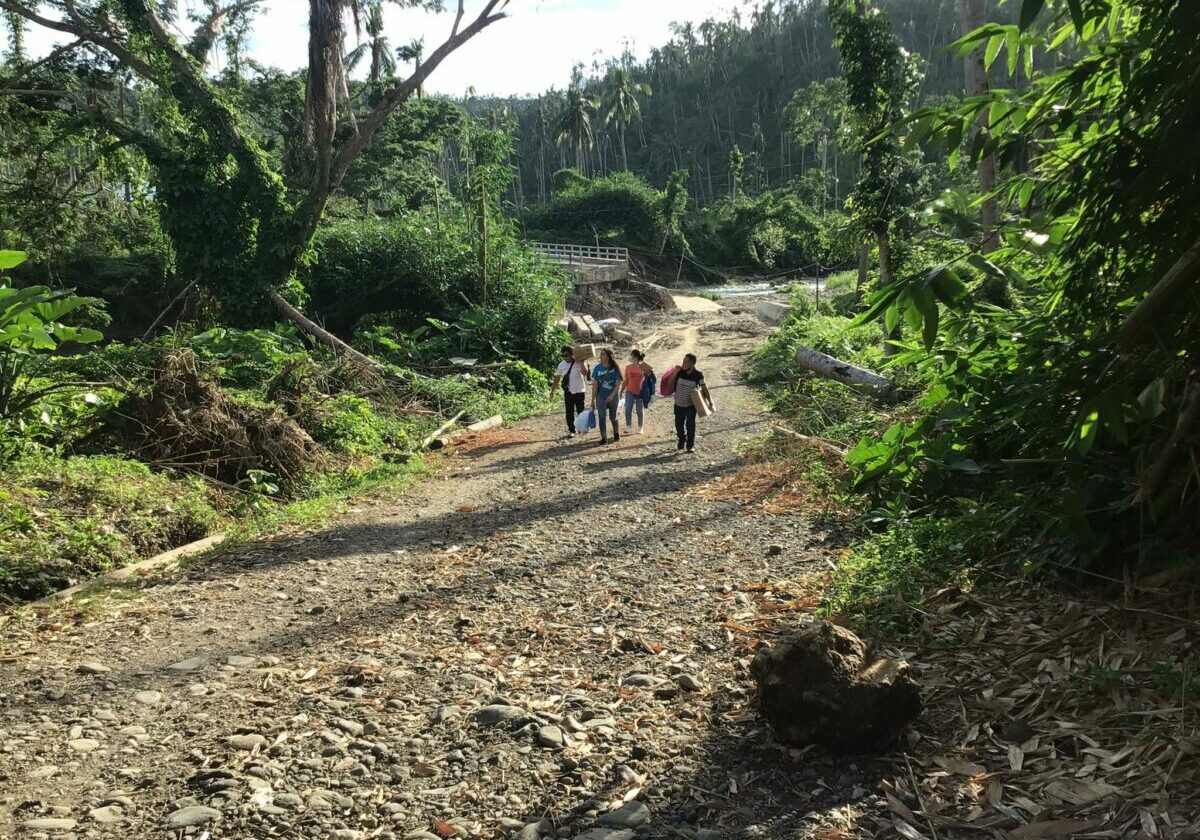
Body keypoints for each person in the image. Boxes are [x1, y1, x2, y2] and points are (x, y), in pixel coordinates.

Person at [673, 353, 712, 454]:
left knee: (690, 425)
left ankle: (690, 445)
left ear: (692, 363)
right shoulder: (679, 372)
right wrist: (675, 371)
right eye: (683, 361)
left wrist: (710, 401)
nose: (683, 363)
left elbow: (704, 388)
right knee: (678, 425)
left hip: (691, 405)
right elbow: (670, 383)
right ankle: (682, 439)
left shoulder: (698, 375)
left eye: (686, 362)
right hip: (678, 404)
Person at [549, 346, 589, 438]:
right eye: (563, 356)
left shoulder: (579, 362)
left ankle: (581, 428)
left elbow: (585, 373)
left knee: (580, 411)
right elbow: (557, 378)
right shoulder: (561, 365)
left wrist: (582, 362)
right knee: (569, 411)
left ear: (571, 354)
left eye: (566, 355)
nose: (565, 357)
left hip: (580, 390)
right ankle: (572, 430)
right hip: (568, 391)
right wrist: (552, 391)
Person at [590, 347, 625, 445]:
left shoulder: (614, 368)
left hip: (613, 395)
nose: (600, 356)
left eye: (602, 354)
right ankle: (604, 437)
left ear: (608, 357)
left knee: (613, 417)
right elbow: (595, 385)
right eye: (600, 354)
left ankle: (616, 433)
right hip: (601, 396)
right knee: (601, 417)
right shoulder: (597, 368)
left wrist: (612, 396)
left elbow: (618, 384)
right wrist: (593, 400)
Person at [623, 349, 654, 434]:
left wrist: (651, 393)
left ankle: (640, 428)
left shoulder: (643, 367)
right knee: (628, 408)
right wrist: (621, 390)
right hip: (630, 390)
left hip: (640, 392)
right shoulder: (628, 367)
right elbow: (626, 380)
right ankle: (628, 426)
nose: (630, 357)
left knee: (639, 410)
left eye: (631, 355)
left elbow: (651, 379)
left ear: (636, 357)